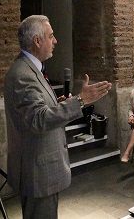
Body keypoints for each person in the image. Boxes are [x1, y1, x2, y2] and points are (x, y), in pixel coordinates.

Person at [4, 15, 112, 219]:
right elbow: (38, 119)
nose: (55, 41)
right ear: (37, 41)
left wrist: (59, 104)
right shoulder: (22, 74)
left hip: (42, 170)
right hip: (37, 172)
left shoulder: (33, 69)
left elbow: (38, 110)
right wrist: (80, 100)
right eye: (51, 36)